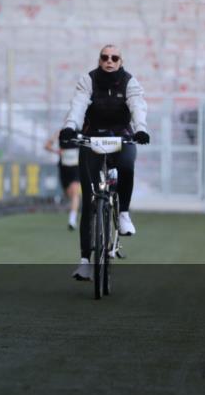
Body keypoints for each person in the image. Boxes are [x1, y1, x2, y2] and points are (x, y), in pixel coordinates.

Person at [59, 44, 150, 282]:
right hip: (92, 136)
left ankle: (124, 214)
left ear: (121, 61)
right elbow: (78, 105)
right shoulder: (88, 80)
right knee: (89, 203)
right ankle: (85, 262)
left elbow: (137, 106)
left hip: (122, 135)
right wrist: (70, 126)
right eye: (104, 57)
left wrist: (140, 129)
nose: (109, 61)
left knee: (128, 165)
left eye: (114, 58)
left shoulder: (130, 81)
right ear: (99, 60)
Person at [45, 130, 81, 230]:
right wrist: (56, 151)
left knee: (75, 193)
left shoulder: (79, 133)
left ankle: (72, 219)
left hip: (76, 167)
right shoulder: (60, 133)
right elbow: (47, 146)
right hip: (64, 168)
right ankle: (74, 208)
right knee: (69, 193)